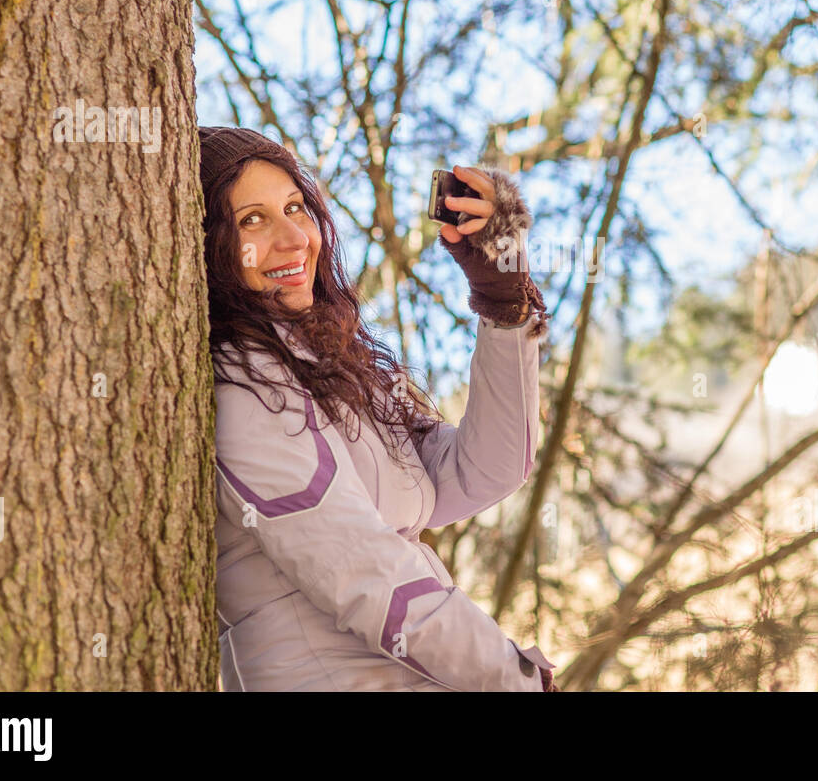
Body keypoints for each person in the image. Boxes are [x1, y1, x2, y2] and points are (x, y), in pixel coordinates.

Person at [200, 125, 559, 691]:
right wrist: (514, 679)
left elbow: (484, 470)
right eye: (252, 219)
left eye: (296, 207)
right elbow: (361, 572)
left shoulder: (327, 366)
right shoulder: (246, 387)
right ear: (209, 244)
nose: (295, 238)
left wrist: (503, 301)